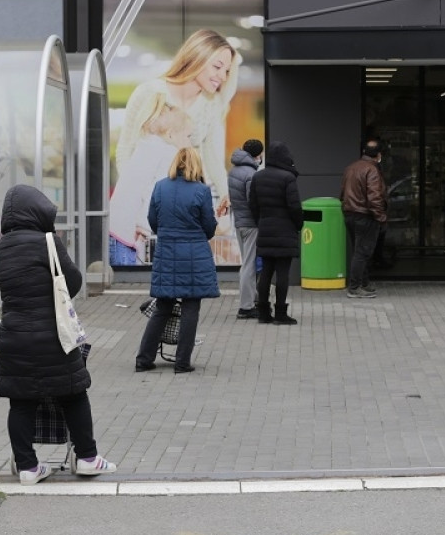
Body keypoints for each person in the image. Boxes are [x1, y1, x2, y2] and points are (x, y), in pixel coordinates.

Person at [0, 184, 115, 484]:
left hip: (14, 335)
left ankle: (27, 466)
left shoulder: (2, 248)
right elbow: (72, 282)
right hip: (54, 336)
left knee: (21, 402)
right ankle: (87, 457)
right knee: (74, 393)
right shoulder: (47, 241)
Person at [114, 29, 241, 231]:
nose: (223, 77)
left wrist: (227, 195)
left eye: (226, 71)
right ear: (197, 58)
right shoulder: (149, 93)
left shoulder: (212, 104)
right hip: (141, 206)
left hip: (181, 208)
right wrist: (131, 201)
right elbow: (125, 150)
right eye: (217, 67)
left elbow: (213, 158)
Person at [135, 147, 219, 374]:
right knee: (191, 307)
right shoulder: (201, 190)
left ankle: (143, 359)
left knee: (162, 307)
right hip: (194, 256)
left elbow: (153, 220)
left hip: (167, 253)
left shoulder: (160, 186)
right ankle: (182, 363)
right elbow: (209, 227)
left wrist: (168, 232)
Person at [108, 94, 193, 265]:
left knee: (119, 275)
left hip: (115, 227)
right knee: (127, 277)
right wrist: (144, 227)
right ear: (171, 135)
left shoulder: (146, 146)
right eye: (188, 136)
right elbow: (154, 193)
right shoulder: (168, 153)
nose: (190, 143)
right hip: (128, 232)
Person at [248, 141, 303, 325]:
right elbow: (294, 207)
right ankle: (280, 314)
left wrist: (261, 222)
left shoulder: (258, 176)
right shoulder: (288, 178)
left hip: (265, 229)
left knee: (265, 273)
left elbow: (253, 205)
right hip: (285, 231)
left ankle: (263, 313)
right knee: (282, 274)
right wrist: (298, 224)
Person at [340, 139, 387, 299]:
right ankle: (354, 287)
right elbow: (374, 198)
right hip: (365, 216)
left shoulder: (351, 167)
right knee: (362, 253)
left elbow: (342, 193)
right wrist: (381, 217)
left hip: (350, 214)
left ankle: (364, 283)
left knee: (359, 251)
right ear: (378, 154)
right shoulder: (372, 170)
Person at [227, 138, 263, 319]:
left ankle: (252, 299)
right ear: (257, 155)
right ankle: (246, 307)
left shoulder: (233, 171)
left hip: (240, 223)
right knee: (249, 265)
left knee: (247, 262)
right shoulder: (251, 174)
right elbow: (253, 202)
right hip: (251, 224)